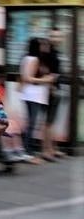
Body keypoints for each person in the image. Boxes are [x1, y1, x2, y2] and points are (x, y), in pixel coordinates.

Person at [19, 38, 56, 162]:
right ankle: (27, 152)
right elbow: (27, 78)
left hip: (31, 96)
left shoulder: (27, 58)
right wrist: (46, 80)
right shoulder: (33, 59)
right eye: (41, 45)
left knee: (31, 124)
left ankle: (26, 150)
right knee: (32, 124)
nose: (43, 47)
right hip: (33, 96)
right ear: (36, 47)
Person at [42, 28, 65, 159]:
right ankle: (46, 150)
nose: (56, 39)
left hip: (57, 87)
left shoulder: (56, 52)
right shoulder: (48, 52)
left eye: (58, 36)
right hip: (51, 90)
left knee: (52, 121)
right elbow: (45, 70)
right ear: (49, 37)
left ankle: (53, 149)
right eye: (53, 36)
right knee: (48, 122)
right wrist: (51, 87)